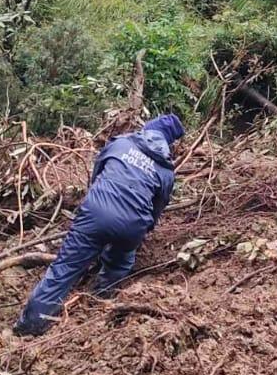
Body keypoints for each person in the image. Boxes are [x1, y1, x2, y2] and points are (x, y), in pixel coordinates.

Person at [14, 115, 183, 336]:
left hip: (96, 213)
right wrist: (139, 231)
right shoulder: (166, 171)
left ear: (147, 129)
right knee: (120, 263)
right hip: (132, 227)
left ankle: (29, 328)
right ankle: (95, 309)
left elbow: (96, 175)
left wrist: (98, 203)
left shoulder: (121, 143)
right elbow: (155, 211)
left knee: (63, 270)